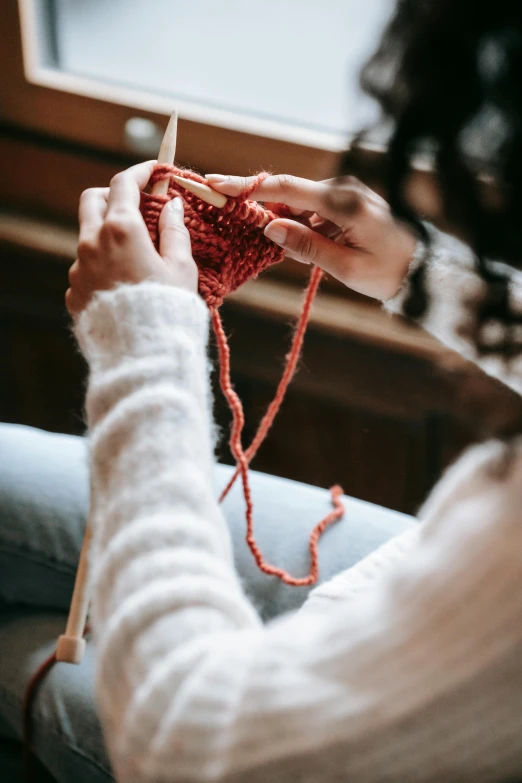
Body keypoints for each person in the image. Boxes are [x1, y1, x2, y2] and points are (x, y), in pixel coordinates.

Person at [2, 0, 522, 781]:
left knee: (15, 641)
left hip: (277, 713)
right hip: (414, 571)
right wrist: (417, 277)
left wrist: (143, 340)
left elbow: (183, 744)